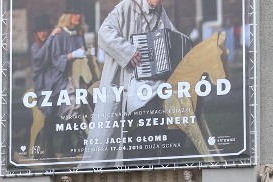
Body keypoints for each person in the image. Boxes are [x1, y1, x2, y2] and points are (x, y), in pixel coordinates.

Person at [82, 0, 192, 164]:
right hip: (126, 79)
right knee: (139, 116)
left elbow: (172, 35)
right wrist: (129, 51)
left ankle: (166, 159)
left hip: (153, 82)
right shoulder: (127, 6)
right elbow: (104, 33)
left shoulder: (161, 12)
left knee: (177, 110)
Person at [35, 0, 89, 158]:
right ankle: (54, 147)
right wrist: (72, 56)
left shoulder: (80, 34)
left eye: (79, 13)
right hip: (59, 79)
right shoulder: (59, 34)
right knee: (60, 110)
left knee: (81, 108)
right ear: (67, 16)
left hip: (77, 80)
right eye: (74, 13)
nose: (77, 16)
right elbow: (54, 60)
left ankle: (69, 144)